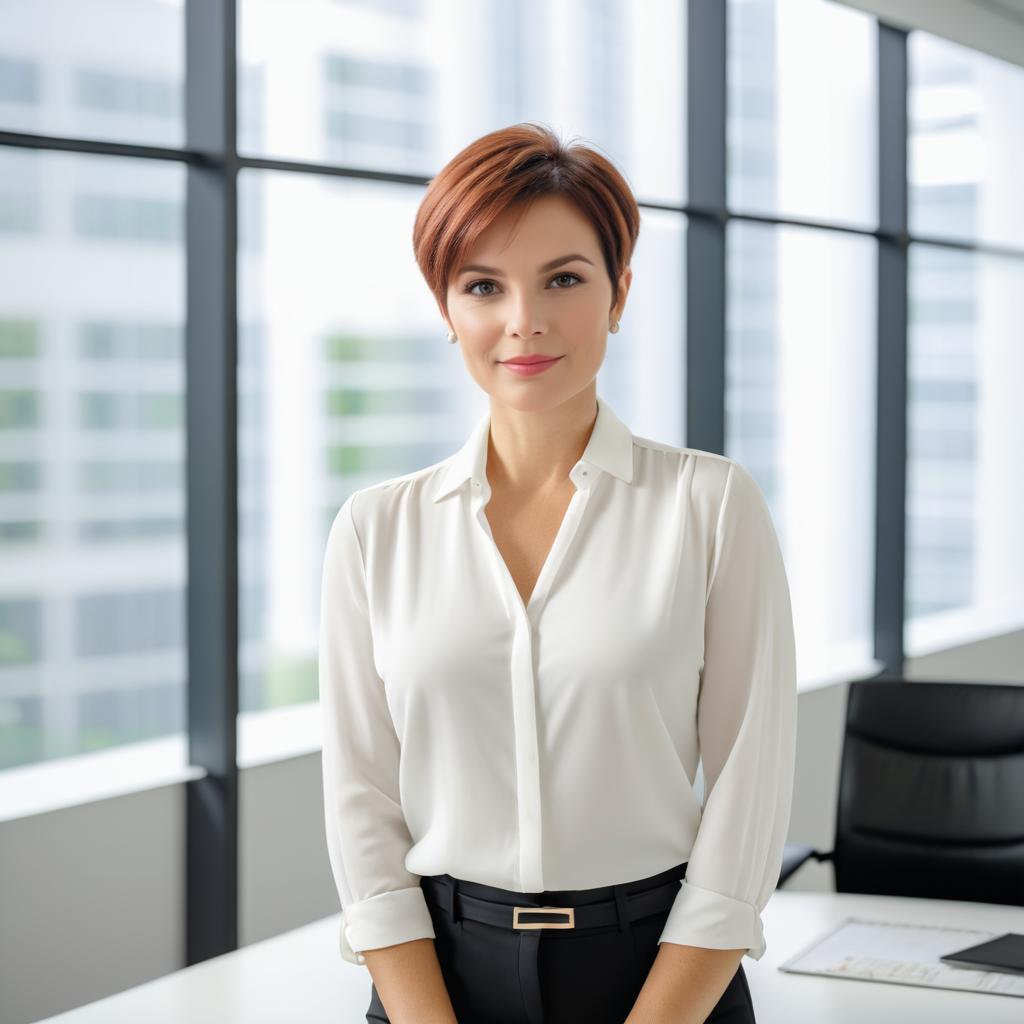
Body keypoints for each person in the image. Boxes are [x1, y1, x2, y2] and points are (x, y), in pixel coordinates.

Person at [318, 121, 797, 1024]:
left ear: (619, 293)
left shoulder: (710, 506)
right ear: (446, 307)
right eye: (483, 286)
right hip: (437, 981)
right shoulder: (375, 530)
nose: (523, 321)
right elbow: (361, 808)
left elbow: (747, 795)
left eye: (564, 279)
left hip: (659, 979)